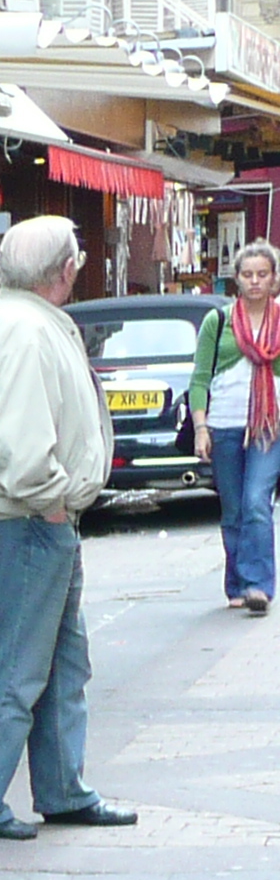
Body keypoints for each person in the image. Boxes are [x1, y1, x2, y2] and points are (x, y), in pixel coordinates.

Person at [0, 216, 134, 839]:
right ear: (64, 270)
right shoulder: (23, 329)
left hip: (35, 519)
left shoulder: (13, 319)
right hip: (26, 520)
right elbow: (19, 446)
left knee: (60, 663)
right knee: (20, 665)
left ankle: (63, 788)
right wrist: (51, 503)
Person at [186, 238, 280, 616]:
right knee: (234, 509)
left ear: (274, 279)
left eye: (262, 274)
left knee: (257, 501)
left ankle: (258, 583)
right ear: (236, 279)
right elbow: (199, 380)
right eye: (247, 274)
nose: (255, 281)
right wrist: (201, 428)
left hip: (268, 426)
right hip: (223, 424)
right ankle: (237, 583)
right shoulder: (219, 321)